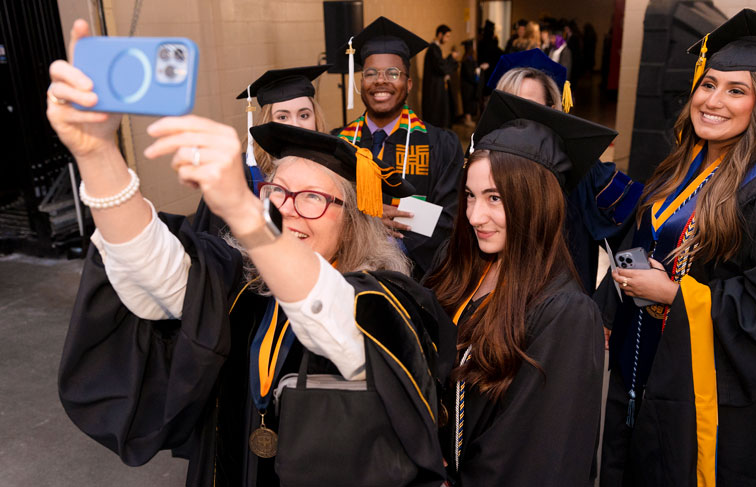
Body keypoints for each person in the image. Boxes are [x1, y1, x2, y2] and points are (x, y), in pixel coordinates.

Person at [51, 19, 455, 487]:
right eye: (278, 192)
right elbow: (157, 268)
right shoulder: (243, 282)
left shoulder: (386, 305)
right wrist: (97, 154)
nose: (290, 210)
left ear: (352, 220)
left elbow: (332, 317)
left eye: (313, 197)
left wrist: (246, 213)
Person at [599, 10, 756, 486]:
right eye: (708, 84)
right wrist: (606, 311)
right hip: (642, 369)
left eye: (736, 90)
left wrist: (673, 294)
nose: (713, 101)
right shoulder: (678, 170)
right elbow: (642, 242)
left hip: (706, 403)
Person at [424, 90, 607, 486]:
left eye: (495, 198)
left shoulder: (565, 314)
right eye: (470, 196)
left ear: (536, 202)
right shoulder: (454, 267)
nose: (475, 216)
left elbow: (534, 455)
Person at [486, 49, 644, 295]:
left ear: (553, 110)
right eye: (510, 105)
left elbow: (638, 221)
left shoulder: (585, 171)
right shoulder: (481, 168)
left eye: (530, 107)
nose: (520, 120)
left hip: (563, 306)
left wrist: (610, 304)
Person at [337, 16, 464, 279]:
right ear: (361, 83)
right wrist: (368, 218)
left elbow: (449, 219)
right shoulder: (339, 144)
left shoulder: (441, 144)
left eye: (393, 73)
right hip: (345, 277)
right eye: (370, 73)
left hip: (416, 283)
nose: (380, 81)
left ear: (408, 83)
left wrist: (389, 241)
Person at [194, 65, 330, 235]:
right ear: (267, 122)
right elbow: (214, 242)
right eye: (282, 117)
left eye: (304, 115)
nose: (295, 125)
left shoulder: (329, 170)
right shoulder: (241, 173)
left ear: (316, 119)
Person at [422, 24, 459, 128]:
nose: (447, 40)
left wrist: (451, 59)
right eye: (446, 36)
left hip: (436, 87)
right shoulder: (433, 49)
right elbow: (441, 67)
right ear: (440, 35)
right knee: (435, 116)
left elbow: (441, 64)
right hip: (434, 89)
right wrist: (451, 58)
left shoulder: (436, 49)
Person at [459, 38, 487, 126]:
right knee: (468, 102)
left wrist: (479, 69)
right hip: (467, 86)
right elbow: (470, 74)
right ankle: (467, 120)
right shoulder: (467, 60)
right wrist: (480, 69)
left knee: (470, 102)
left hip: (469, 85)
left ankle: (469, 118)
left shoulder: (470, 59)